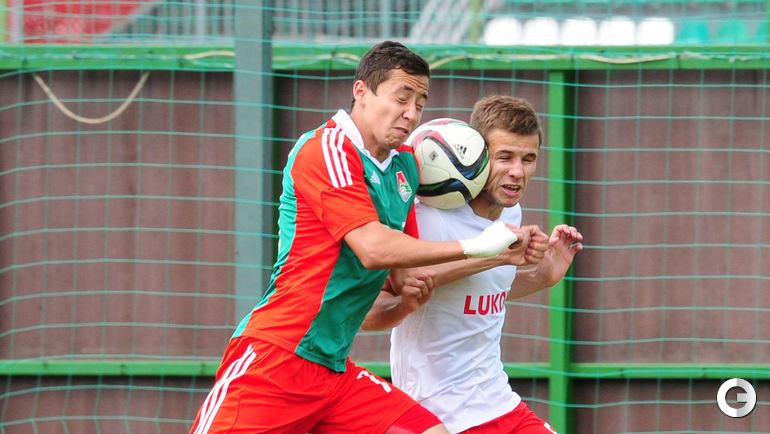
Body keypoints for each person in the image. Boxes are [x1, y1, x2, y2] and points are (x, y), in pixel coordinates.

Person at [189, 42, 529, 434]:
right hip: (276, 359)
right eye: (402, 97)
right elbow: (372, 249)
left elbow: (401, 281)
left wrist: (406, 304)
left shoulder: (405, 167)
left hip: (334, 374)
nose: (411, 113)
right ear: (361, 92)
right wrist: (477, 248)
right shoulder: (327, 149)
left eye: (420, 102)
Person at [362, 95, 584, 434]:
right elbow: (376, 305)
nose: (517, 171)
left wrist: (542, 276)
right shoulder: (426, 218)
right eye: (505, 157)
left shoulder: (511, 213)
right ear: (477, 156)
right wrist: (494, 255)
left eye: (528, 159)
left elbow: (479, 292)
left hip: (498, 399)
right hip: (439, 412)